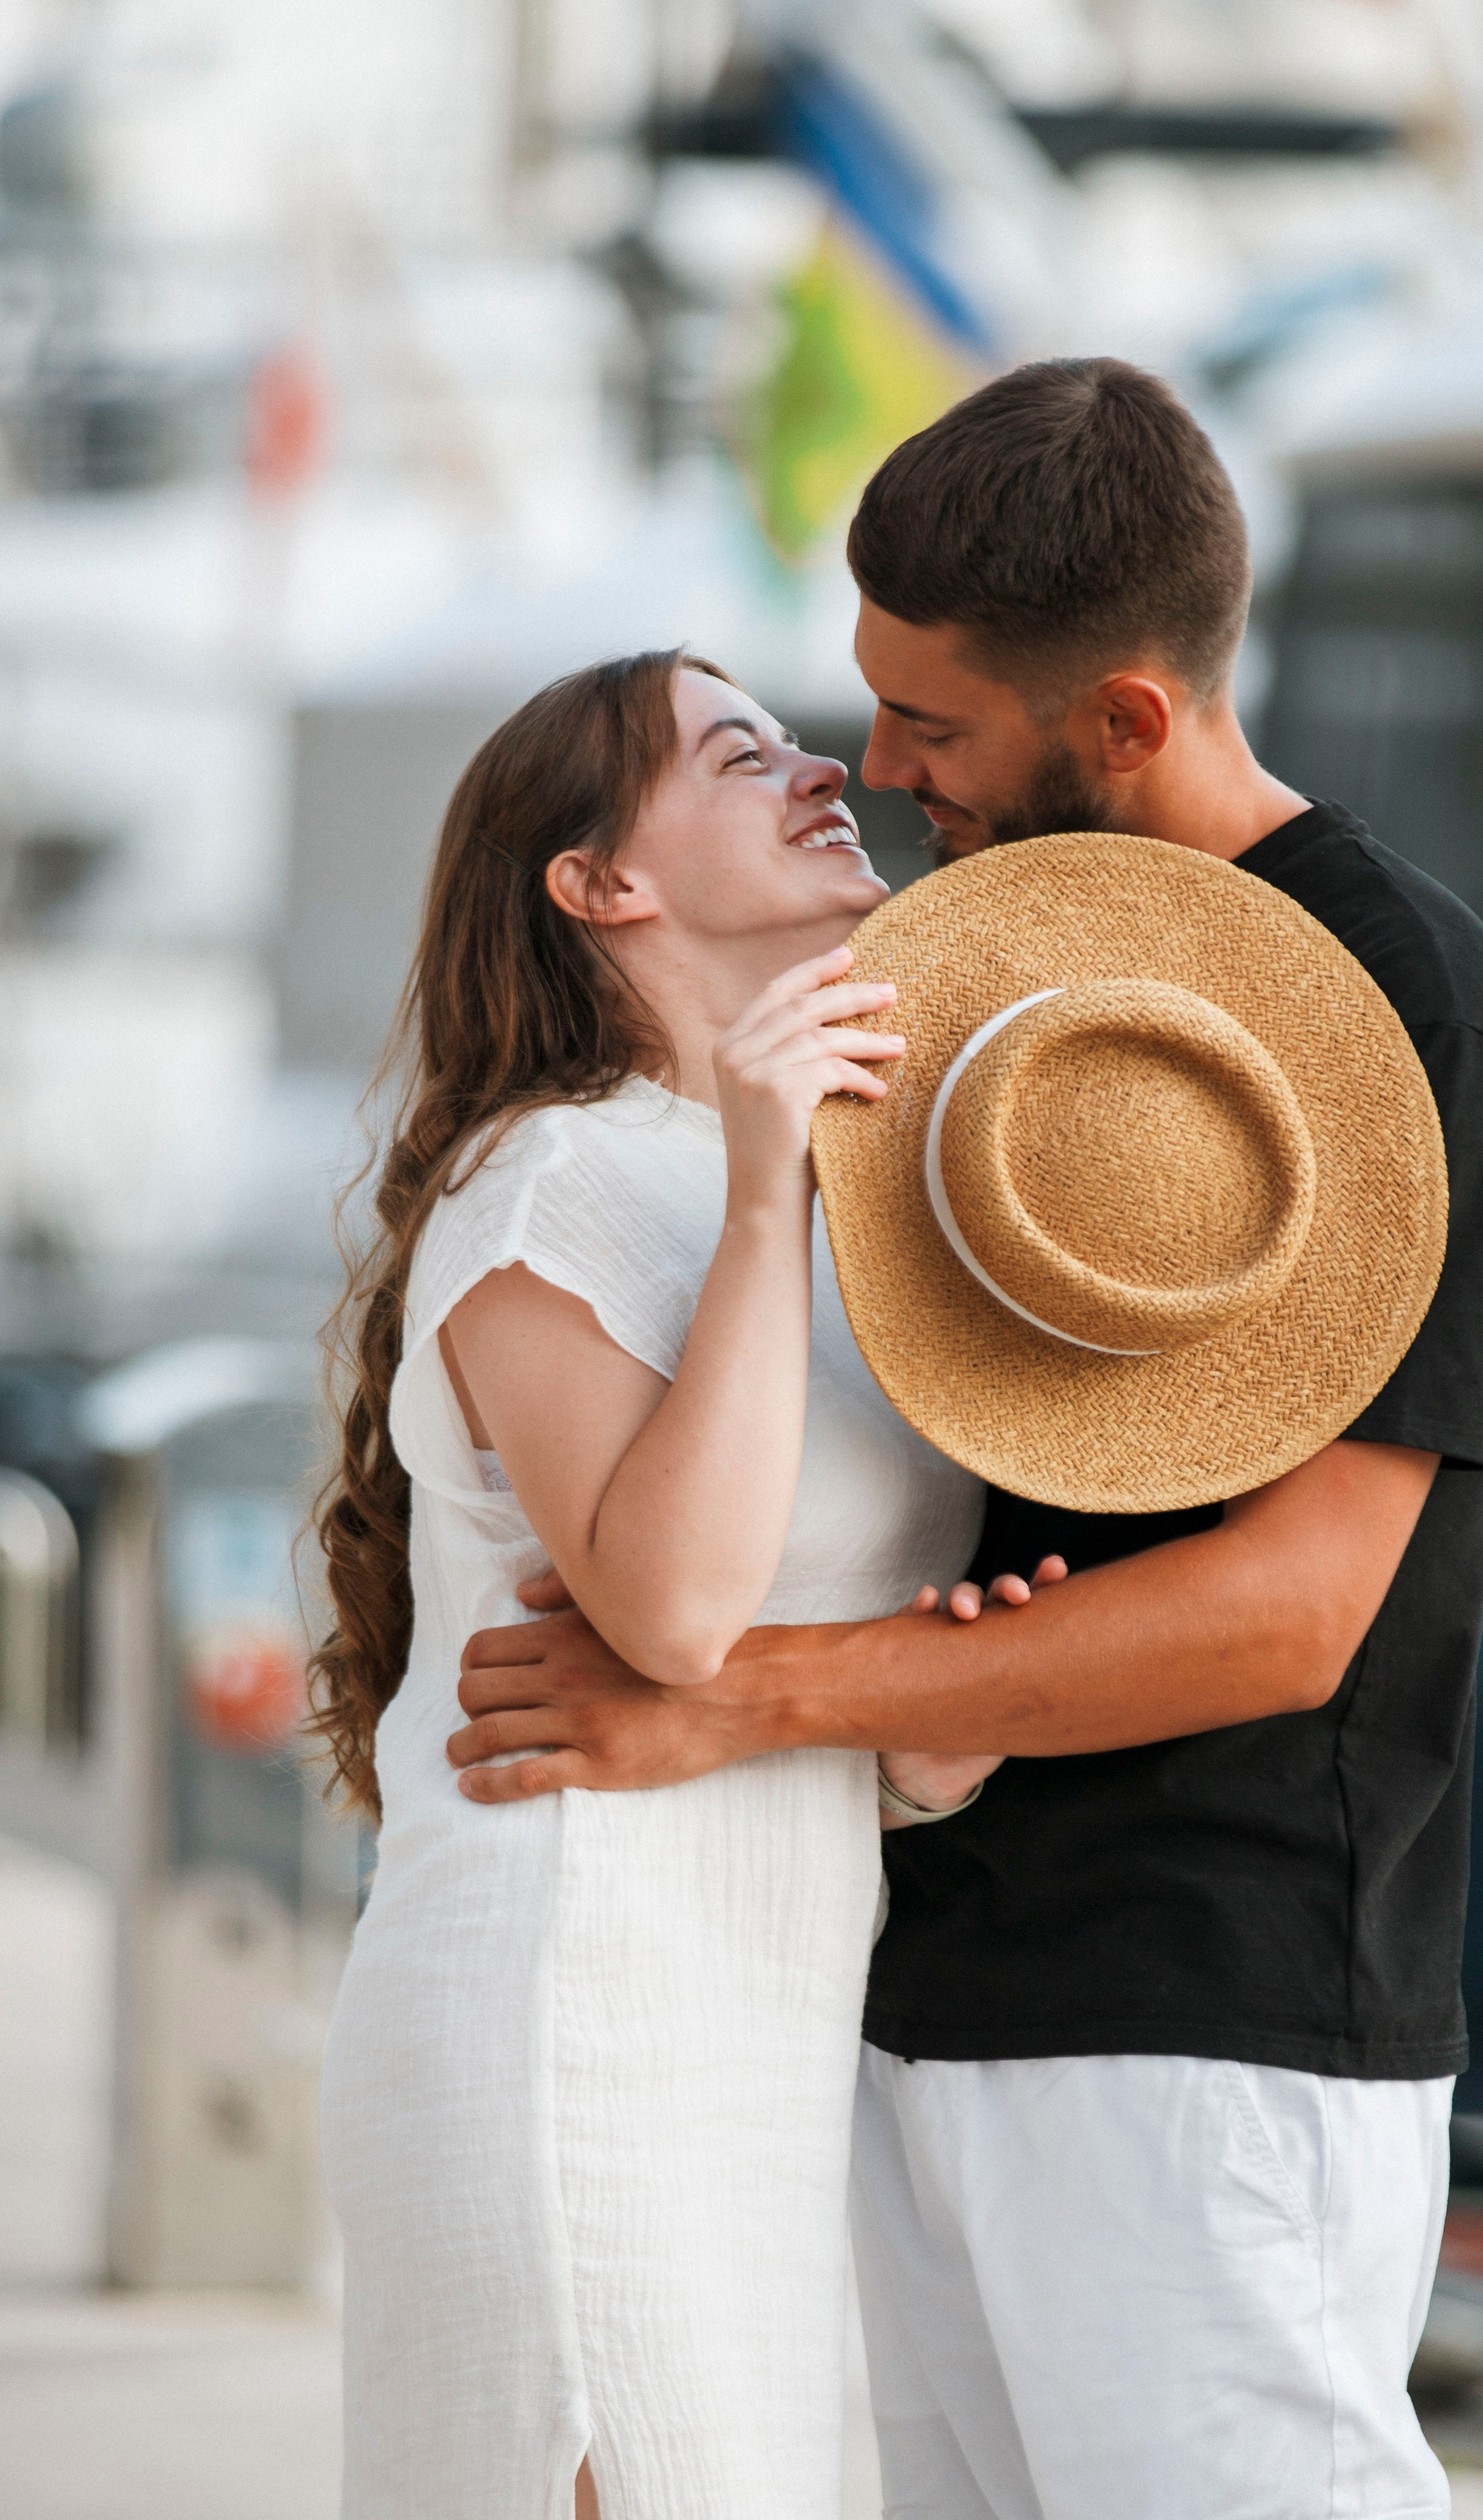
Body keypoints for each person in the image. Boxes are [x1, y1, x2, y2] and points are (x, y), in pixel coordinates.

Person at [448, 360, 1483, 2520]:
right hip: (909, 1991)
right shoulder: (957, 958)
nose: (878, 768)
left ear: (1120, 716)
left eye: (928, 723)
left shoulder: (1405, 995)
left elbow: (1295, 1609)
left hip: (1206, 2021)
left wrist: (737, 1697)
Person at [311, 650, 1024, 2520]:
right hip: (570, 2003)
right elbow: (679, 1613)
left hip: (761, 2019)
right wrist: (768, 1185)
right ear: (597, 881)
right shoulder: (548, 1179)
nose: (818, 768)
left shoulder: (826, 1190)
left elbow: (780, 1642)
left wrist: (915, 1745)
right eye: (737, 754)